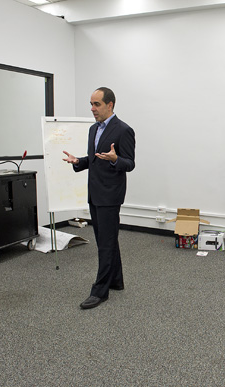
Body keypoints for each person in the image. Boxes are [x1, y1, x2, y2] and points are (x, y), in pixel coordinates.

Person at [62, 87, 136, 309]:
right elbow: (95, 159)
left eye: (97, 104)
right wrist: (79, 162)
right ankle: (116, 281)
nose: (92, 109)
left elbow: (130, 163)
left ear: (110, 105)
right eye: (91, 104)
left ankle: (100, 291)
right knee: (107, 240)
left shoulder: (124, 130)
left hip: (110, 196)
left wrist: (116, 159)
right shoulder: (94, 129)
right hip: (94, 194)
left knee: (105, 244)